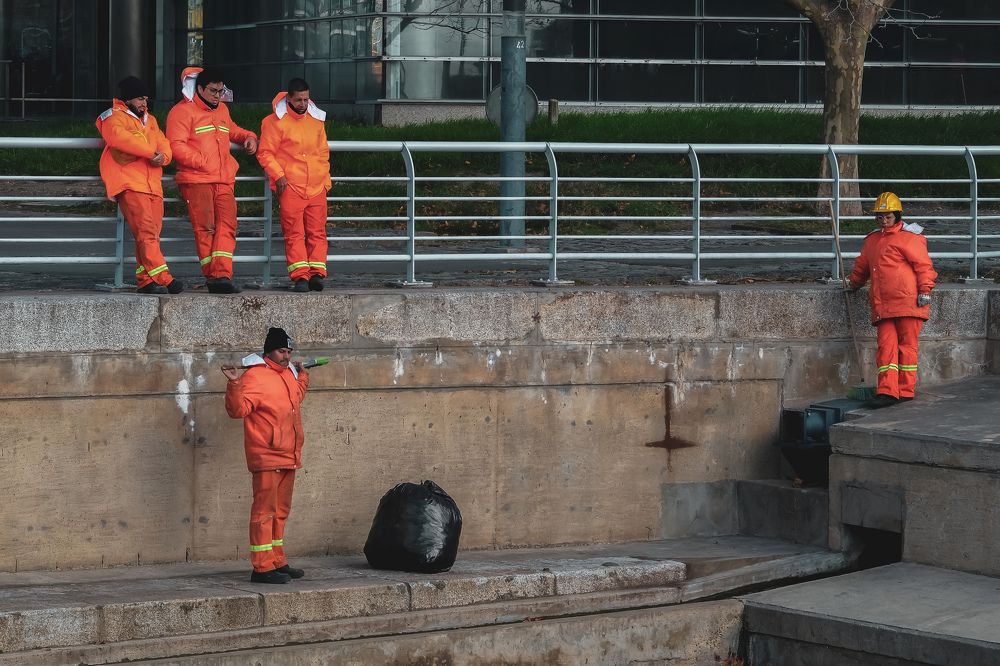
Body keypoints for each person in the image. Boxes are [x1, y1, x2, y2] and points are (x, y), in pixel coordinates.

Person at [223, 327, 310, 584]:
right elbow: (238, 410)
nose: (286, 356)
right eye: (281, 351)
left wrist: (303, 376)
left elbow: (296, 397)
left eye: (289, 351)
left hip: (288, 453)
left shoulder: (289, 375)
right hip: (267, 454)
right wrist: (234, 382)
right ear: (269, 351)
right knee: (264, 511)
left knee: (280, 511)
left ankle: (277, 560)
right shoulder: (255, 377)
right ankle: (261, 567)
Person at [167, 66, 257, 294]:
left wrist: (249, 137)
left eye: (220, 91)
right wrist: (202, 162)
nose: (218, 95)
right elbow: (175, 146)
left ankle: (221, 275)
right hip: (197, 180)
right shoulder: (181, 112)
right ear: (199, 89)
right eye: (213, 91)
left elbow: (232, 130)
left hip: (223, 179)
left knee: (227, 226)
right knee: (205, 229)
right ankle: (214, 277)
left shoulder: (222, 110)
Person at [849, 192, 938, 409]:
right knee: (886, 348)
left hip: (908, 303)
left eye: (887, 216)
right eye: (880, 217)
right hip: (884, 305)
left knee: (907, 348)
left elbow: (924, 267)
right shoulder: (872, 241)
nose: (883, 220)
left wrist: (925, 291)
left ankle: (905, 390)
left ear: (897, 215)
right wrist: (853, 285)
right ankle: (888, 392)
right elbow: (862, 267)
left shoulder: (911, 237)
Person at [96, 76, 182, 295]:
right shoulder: (112, 117)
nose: (144, 102)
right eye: (139, 98)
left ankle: (145, 281)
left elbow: (165, 144)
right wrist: (152, 152)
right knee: (146, 233)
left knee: (150, 235)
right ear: (127, 99)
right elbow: (119, 140)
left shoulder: (150, 120)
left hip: (152, 185)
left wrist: (163, 157)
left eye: (146, 98)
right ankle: (165, 278)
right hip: (130, 184)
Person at [256, 78, 332, 292]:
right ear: (288, 98)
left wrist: (325, 178)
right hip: (291, 185)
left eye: (306, 99)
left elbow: (323, 151)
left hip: (317, 185)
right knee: (294, 233)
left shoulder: (316, 120)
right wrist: (279, 176)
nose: (303, 104)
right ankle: (300, 276)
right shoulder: (273, 122)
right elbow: (265, 153)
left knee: (317, 232)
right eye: (298, 100)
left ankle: (317, 273)